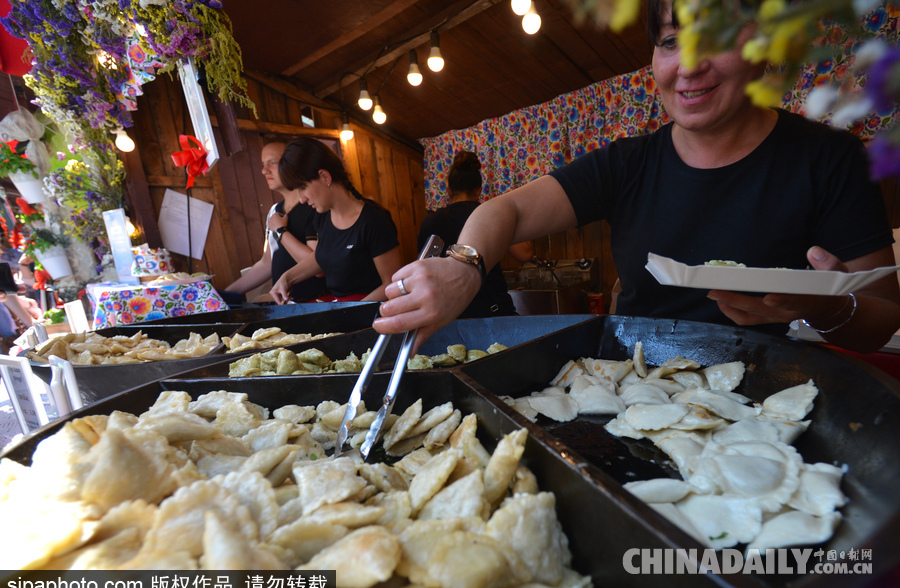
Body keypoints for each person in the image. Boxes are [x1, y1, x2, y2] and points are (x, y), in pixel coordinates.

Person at [374, 0, 900, 355]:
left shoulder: (829, 159)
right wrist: (465, 267)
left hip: (765, 390)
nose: (687, 67)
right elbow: (504, 210)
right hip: (633, 384)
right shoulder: (626, 164)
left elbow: (883, 316)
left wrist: (824, 306)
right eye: (670, 41)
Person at [269, 137, 403, 303]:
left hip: (375, 314)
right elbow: (322, 256)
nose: (301, 199)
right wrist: (287, 278)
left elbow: (392, 283)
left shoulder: (374, 221)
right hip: (341, 308)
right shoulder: (321, 216)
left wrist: (351, 313)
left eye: (303, 187)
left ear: (325, 177)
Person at [417, 150, 533, 318]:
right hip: (494, 311)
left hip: (451, 316)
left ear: (449, 191)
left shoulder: (431, 221)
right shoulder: (489, 214)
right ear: (478, 191)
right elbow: (525, 253)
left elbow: (424, 272)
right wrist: (512, 212)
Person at [223, 140, 324, 303]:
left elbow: (318, 265)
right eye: (263, 164)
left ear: (292, 165)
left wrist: (280, 231)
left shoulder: (314, 206)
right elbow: (267, 263)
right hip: (285, 305)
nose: (264, 171)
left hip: (314, 304)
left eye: (273, 163)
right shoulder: (274, 211)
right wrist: (225, 295)